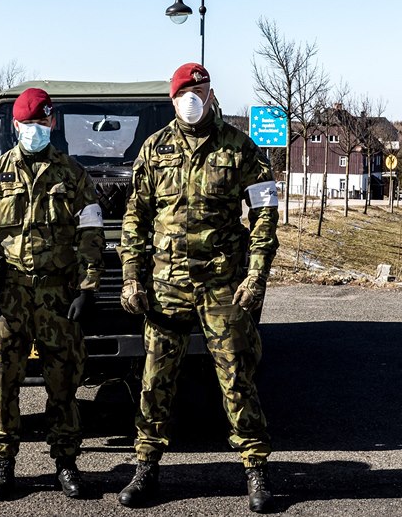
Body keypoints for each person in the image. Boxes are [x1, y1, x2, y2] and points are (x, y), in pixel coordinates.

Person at [116, 63, 280, 513]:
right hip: (166, 286)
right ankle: (146, 467)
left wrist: (256, 274)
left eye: (200, 90)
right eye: (184, 92)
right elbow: (136, 218)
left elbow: (265, 215)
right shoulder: (154, 150)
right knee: (155, 380)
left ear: (210, 94)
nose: (192, 98)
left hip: (223, 285)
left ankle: (256, 470)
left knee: (237, 377)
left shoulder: (241, 148)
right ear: (173, 99)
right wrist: (132, 276)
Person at [0, 87, 105, 501]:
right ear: (15, 127)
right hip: (11, 297)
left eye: (41, 124)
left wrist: (88, 287)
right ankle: (3, 465)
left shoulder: (73, 175)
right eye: (27, 125)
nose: (35, 131)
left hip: (59, 298)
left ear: (51, 124)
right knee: (2, 380)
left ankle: (66, 463)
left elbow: (91, 234)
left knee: (65, 383)